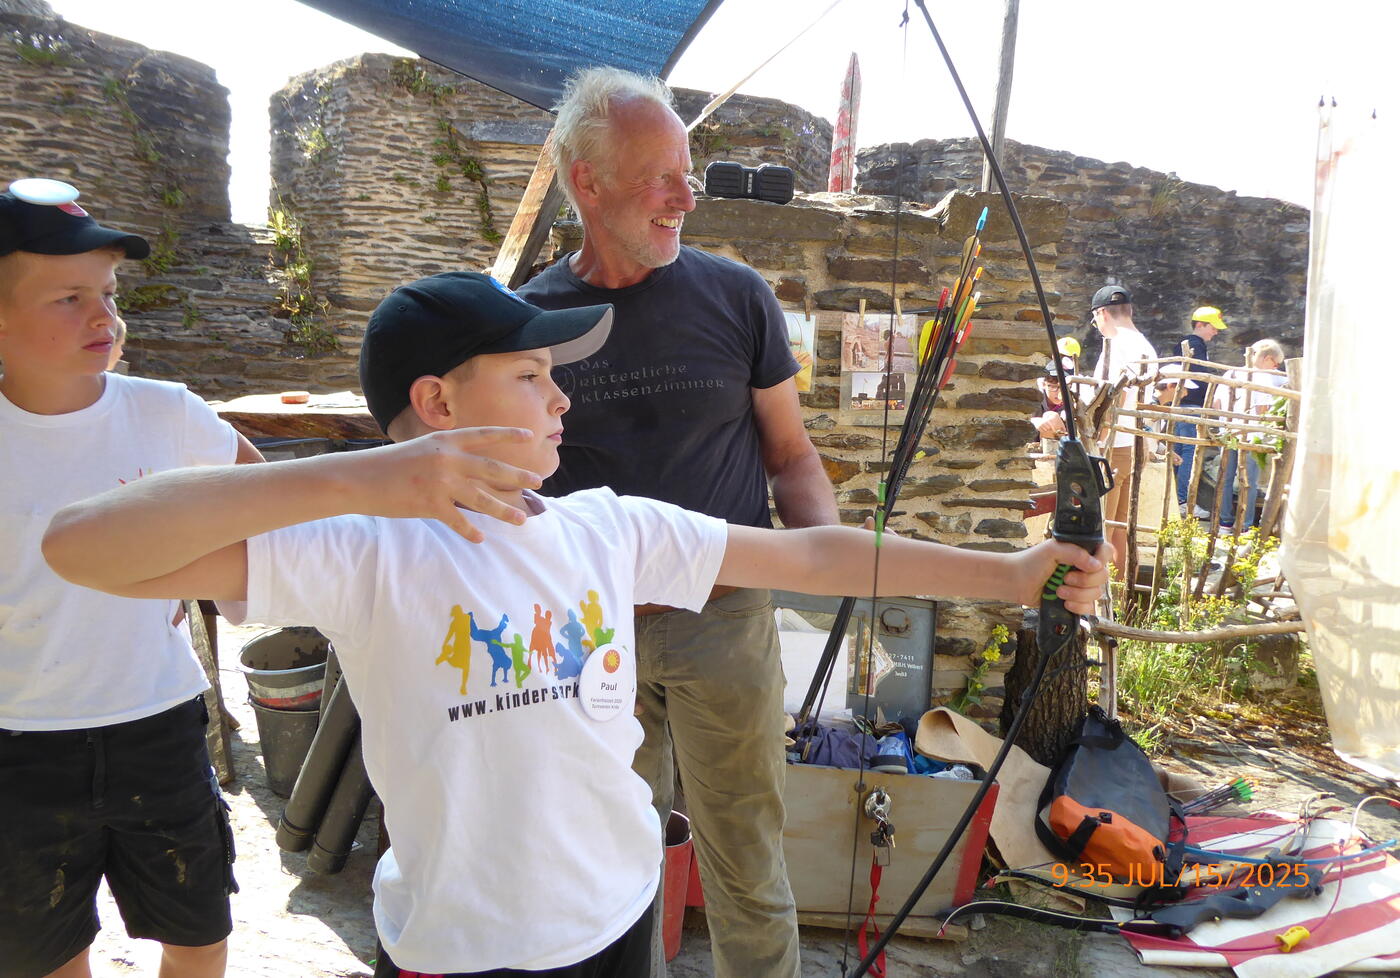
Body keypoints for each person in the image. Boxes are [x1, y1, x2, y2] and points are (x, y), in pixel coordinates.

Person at [41, 271, 1114, 978]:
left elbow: (811, 555)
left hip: (614, 920)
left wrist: (1009, 573)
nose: (561, 401)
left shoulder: (607, 527)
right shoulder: (360, 548)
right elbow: (80, 546)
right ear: (439, 405)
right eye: (530, 376)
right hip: (454, 946)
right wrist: (369, 477)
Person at [518, 67, 840, 977]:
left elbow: (791, 455)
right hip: (592, 634)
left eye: (687, 173)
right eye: (660, 177)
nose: (686, 198)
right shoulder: (529, 321)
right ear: (588, 182)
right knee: (607, 867)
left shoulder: (736, 296)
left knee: (746, 858)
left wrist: (822, 563)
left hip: (723, 620)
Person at [0, 178, 261, 978]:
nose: (104, 317)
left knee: (198, 937)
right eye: (69, 298)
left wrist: (191, 567)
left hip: (157, 722)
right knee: (46, 956)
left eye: (108, 293)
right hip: (16, 741)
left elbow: (259, 493)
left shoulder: (165, 411)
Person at [1088, 284, 1158, 579]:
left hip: (1113, 446)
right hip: (1133, 445)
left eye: (1095, 320)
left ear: (1102, 313)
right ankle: (1119, 592)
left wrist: (1097, 441)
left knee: (1101, 526)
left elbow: (1113, 397)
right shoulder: (1145, 345)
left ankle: (1098, 595)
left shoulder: (1116, 345)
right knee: (1119, 528)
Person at [1215, 339, 1286, 531]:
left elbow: (1216, 405)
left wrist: (1226, 423)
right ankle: (1245, 524)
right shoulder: (1263, 377)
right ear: (1268, 358)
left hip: (1228, 433)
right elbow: (1263, 409)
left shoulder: (1230, 373)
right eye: (1276, 363)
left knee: (1225, 479)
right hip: (1251, 435)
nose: (1276, 368)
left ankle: (1224, 522)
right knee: (1248, 482)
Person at [1173, 305, 1227, 516]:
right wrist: (1211, 395)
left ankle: (1175, 499)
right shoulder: (1195, 344)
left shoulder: (1188, 344)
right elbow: (1198, 377)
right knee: (1189, 451)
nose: (1216, 332)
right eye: (1213, 327)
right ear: (1200, 325)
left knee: (1178, 451)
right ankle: (1183, 500)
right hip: (1191, 405)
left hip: (1183, 403)